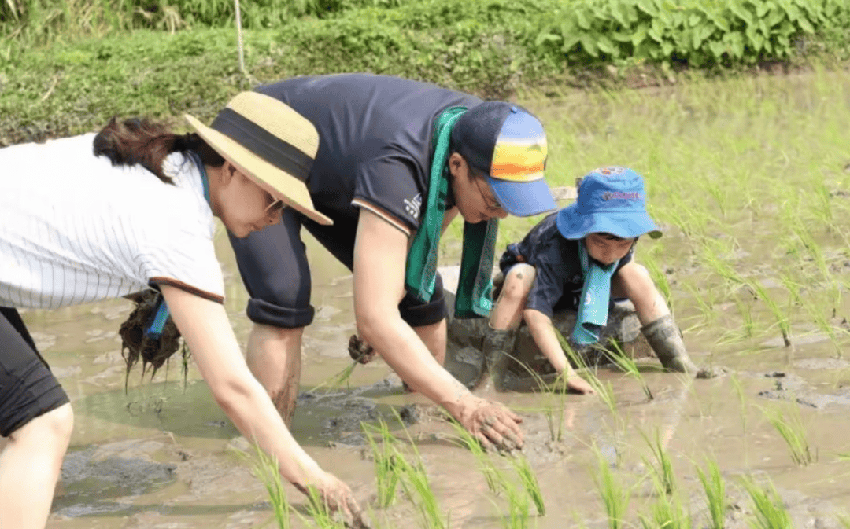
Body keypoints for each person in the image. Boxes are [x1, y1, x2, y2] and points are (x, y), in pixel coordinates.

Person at [0, 92, 366, 529]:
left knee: (17, 423)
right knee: (42, 424)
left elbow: (75, 235)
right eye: (276, 200)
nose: (277, 218)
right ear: (232, 170)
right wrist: (314, 478)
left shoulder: (162, 164)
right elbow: (232, 387)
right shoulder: (176, 222)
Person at [225, 73, 558, 451]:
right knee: (283, 296)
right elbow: (376, 314)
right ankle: (268, 447)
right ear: (457, 166)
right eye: (495, 201)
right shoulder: (399, 164)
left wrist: (382, 317)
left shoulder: (476, 131)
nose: (500, 217)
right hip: (262, 140)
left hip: (340, 164)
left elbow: (417, 255)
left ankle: (422, 424)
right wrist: (465, 402)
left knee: (421, 295)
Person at [484, 166, 699, 393]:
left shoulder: (623, 241)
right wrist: (568, 373)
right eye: (601, 243)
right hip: (541, 279)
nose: (611, 254)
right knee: (520, 278)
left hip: (586, 281)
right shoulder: (556, 245)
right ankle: (491, 377)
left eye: (623, 245)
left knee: (636, 274)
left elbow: (622, 264)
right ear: (583, 229)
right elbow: (535, 312)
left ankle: (678, 362)